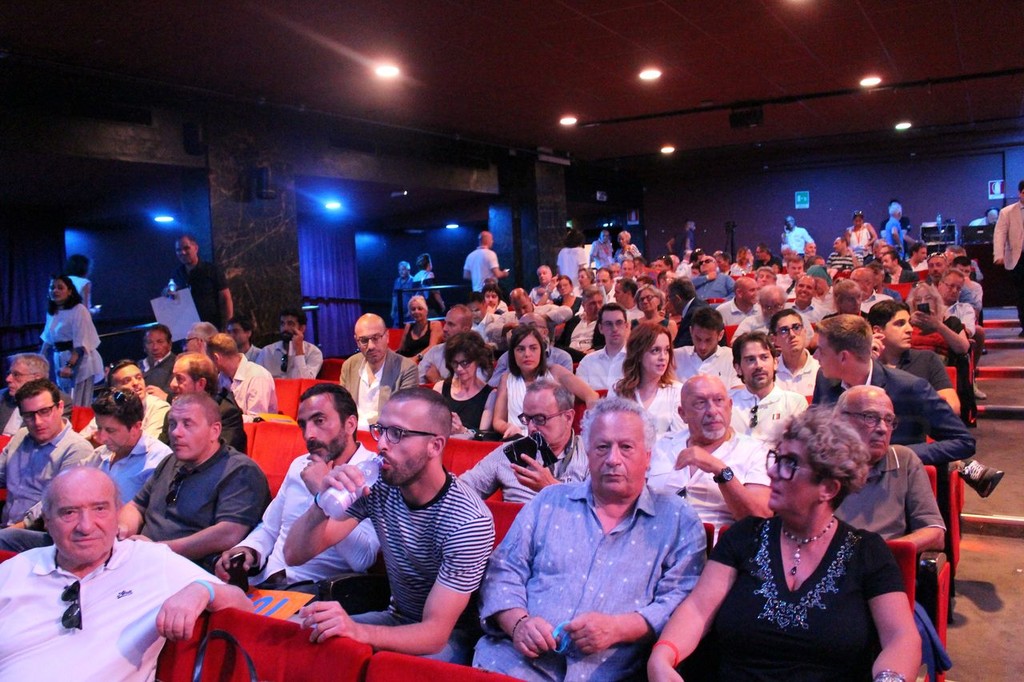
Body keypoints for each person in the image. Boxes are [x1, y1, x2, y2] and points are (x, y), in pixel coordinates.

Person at [647, 407, 920, 682]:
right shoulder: (745, 537)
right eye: (776, 458)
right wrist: (663, 656)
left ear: (828, 488)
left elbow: (901, 637)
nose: (773, 471)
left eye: (790, 463)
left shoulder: (866, 552)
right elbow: (697, 610)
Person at [474, 397, 707, 681]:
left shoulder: (679, 520)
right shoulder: (549, 501)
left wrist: (620, 628)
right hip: (512, 663)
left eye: (626, 447)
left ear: (648, 456)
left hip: (610, 673)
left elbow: (681, 602)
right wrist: (518, 623)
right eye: (602, 447)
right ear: (588, 452)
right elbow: (503, 571)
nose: (613, 459)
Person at [288, 388, 495, 664]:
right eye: (381, 430)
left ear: (435, 446)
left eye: (397, 433)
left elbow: (435, 634)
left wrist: (356, 631)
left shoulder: (468, 521)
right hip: (396, 617)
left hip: (451, 638)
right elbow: (295, 554)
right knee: (303, 636)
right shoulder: (379, 484)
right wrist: (322, 501)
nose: (382, 444)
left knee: (389, 668)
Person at [0, 467, 252, 681]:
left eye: (99, 509)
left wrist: (203, 590)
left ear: (117, 513)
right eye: (69, 512)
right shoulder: (14, 571)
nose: (86, 526)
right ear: (47, 520)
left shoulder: (150, 562)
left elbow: (243, 606)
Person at [214, 384, 379, 588]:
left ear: (350, 424)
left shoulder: (370, 475)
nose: (309, 434)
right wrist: (250, 550)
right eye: (303, 424)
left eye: (319, 421)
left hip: (317, 590)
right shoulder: (300, 465)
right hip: (263, 582)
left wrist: (325, 496)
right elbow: (270, 527)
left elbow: (362, 559)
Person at [118, 392, 270, 571]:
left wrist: (158, 550)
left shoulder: (240, 471)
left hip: (188, 571)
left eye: (187, 424)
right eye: (172, 424)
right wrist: (123, 530)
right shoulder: (169, 461)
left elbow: (229, 533)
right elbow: (136, 506)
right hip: (142, 560)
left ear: (214, 431)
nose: (176, 432)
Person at [812, 314, 975, 466]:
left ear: (843, 357)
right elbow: (813, 433)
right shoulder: (824, 380)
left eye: (821, 350)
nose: (815, 356)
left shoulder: (910, 388)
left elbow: (963, 442)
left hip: (892, 480)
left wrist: (895, 455)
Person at [648, 375, 771, 528]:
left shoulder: (755, 452)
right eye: (700, 403)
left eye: (719, 400)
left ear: (730, 406)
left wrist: (720, 470)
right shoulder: (662, 446)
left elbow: (760, 519)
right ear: (683, 413)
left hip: (717, 541)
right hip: (656, 537)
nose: (712, 411)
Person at [834, 386, 945, 552]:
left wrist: (881, 554)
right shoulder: (817, 464)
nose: (883, 429)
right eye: (870, 417)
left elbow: (935, 533)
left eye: (888, 420)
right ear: (840, 420)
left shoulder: (904, 460)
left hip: (888, 562)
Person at [0, 379, 96, 551]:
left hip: (45, 534)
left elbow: (56, 503)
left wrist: (13, 529)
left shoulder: (76, 449)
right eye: (29, 415)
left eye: (44, 411)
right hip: (7, 526)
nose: (37, 421)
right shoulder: (21, 436)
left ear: (60, 407)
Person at [461, 379, 589, 504]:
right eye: (527, 419)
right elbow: (461, 492)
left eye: (540, 418)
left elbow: (596, 507)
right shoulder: (509, 454)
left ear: (568, 417)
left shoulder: (591, 454)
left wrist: (551, 487)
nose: (531, 428)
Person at [494, 326, 597, 438]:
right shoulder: (506, 379)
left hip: (552, 442)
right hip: (517, 440)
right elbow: (498, 420)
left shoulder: (556, 372)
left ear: (541, 351)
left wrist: (590, 430)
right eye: (520, 349)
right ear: (512, 354)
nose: (527, 354)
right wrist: (508, 427)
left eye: (533, 348)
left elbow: (592, 396)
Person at [92, 388, 173, 503]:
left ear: (136, 427)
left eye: (110, 430)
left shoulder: (160, 460)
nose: (102, 438)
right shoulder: (100, 453)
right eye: (99, 428)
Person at [342, 314, 419, 429]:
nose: (371, 346)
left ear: (387, 336)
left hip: (385, 435)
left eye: (376, 338)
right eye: (364, 340)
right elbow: (342, 407)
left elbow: (401, 415)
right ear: (357, 342)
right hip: (351, 433)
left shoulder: (406, 368)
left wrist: (360, 425)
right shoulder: (349, 365)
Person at [729, 332, 808, 444]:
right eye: (750, 359)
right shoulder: (727, 403)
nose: (759, 365)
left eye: (764, 357)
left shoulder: (794, 402)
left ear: (775, 363)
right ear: (738, 368)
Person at [40, 274, 104, 406]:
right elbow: (48, 338)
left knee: (79, 403)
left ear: (69, 291)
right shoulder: (53, 311)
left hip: (79, 361)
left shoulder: (79, 310)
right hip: (60, 359)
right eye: (52, 287)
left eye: (60, 288)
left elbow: (81, 342)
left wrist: (69, 365)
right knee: (65, 400)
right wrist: (39, 360)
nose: (55, 291)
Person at [164, 352, 247, 453]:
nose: (172, 384)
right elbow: (162, 453)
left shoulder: (226, 414)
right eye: (173, 377)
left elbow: (220, 456)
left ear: (200, 384)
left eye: (179, 379)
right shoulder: (173, 414)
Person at [613, 322, 684, 437]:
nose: (663, 357)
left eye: (666, 350)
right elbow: (611, 433)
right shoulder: (618, 390)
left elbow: (680, 440)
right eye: (655, 350)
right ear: (638, 354)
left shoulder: (677, 391)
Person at [433, 331, 496, 437]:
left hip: (469, 446)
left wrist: (463, 431)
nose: (459, 369)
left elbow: (483, 437)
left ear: (477, 361)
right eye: (455, 363)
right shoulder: (440, 388)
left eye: (465, 363)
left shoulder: (490, 395)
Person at [207, 333, 278, 421]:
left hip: (258, 428)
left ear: (216, 358)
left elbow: (256, 419)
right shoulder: (222, 376)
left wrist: (223, 417)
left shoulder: (258, 376)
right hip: (229, 427)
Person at [168, 233, 233, 327]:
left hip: (212, 327)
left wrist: (228, 327)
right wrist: (167, 293)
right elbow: (172, 296)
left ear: (196, 248)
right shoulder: (176, 274)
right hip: (187, 328)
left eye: (186, 248)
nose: (182, 252)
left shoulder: (212, 270)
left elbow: (226, 299)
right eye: (178, 250)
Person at [1, 353, 72, 436]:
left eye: (16, 375)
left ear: (37, 378)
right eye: (9, 373)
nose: (8, 379)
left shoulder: (58, 400)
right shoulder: (3, 395)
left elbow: (47, 435)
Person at [102, 359, 171, 441]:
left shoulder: (159, 407)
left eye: (139, 378)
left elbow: (148, 444)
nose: (136, 383)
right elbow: (89, 437)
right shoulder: (109, 407)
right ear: (114, 390)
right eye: (127, 381)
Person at [674, 307, 740, 388]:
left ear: (720, 335)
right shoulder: (675, 356)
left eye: (708, 340)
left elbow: (739, 391)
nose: (702, 347)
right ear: (691, 331)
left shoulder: (732, 358)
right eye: (698, 339)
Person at [256, 308, 324, 379]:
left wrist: (299, 350)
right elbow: (255, 378)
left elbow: (305, 381)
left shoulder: (313, 352)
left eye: (290, 324)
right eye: (282, 323)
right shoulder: (267, 352)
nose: (285, 328)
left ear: (302, 328)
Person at [993, 180, 1024, 336]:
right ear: (1020, 193)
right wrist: (999, 255)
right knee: (1021, 295)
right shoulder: (1007, 212)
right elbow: (1000, 234)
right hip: (1018, 258)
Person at [575, 303, 629, 391]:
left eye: (619, 322)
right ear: (600, 328)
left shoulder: (638, 359)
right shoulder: (587, 362)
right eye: (608, 324)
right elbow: (580, 395)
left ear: (626, 326)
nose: (614, 328)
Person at [419, 304, 475, 384]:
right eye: (445, 323)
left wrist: (438, 381)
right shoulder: (434, 352)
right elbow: (418, 382)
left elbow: (469, 388)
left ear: (465, 330)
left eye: (451, 324)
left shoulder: (476, 355)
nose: (444, 328)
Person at [771, 309, 820, 397]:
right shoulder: (770, 372)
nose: (792, 335)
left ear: (805, 332)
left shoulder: (821, 368)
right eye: (784, 330)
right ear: (775, 339)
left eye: (796, 327)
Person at [555, 286, 606, 361]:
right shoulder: (573, 321)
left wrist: (595, 350)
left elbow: (610, 344)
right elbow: (560, 344)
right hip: (570, 357)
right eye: (593, 303)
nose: (598, 307)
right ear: (583, 305)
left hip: (590, 358)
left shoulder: (605, 322)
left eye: (600, 302)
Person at [396, 294, 443, 361]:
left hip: (427, 362)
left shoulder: (435, 325)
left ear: (426, 311)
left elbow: (432, 347)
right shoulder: (408, 326)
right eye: (413, 309)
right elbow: (401, 350)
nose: (416, 311)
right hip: (409, 362)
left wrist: (415, 359)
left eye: (420, 309)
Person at [666, 278, 710, 349]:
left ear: (677, 299)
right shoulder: (701, 305)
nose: (668, 302)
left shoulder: (694, 314)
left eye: (669, 298)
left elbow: (683, 346)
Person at [140, 324, 176, 397]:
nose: (155, 347)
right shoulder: (137, 366)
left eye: (160, 342)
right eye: (150, 342)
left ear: (169, 344)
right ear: (144, 346)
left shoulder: (177, 364)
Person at [412, 252, 446, 317]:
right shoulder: (429, 274)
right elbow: (435, 293)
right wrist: (442, 305)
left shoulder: (415, 277)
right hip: (430, 307)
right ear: (428, 263)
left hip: (419, 307)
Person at [391, 259, 414, 327]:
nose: (401, 272)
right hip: (398, 314)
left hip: (409, 314)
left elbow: (414, 298)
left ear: (408, 270)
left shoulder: (413, 281)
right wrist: (392, 310)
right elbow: (394, 296)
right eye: (399, 270)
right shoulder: (397, 281)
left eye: (403, 269)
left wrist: (410, 311)